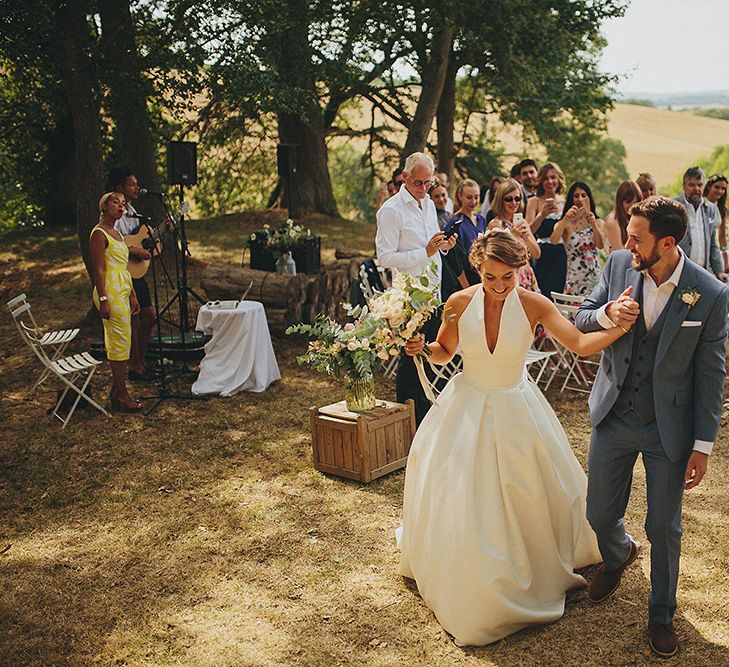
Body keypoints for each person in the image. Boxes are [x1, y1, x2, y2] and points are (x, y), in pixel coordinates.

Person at [398, 228, 632, 647]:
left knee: (527, 489)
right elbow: (444, 352)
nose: (500, 286)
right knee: (464, 494)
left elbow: (579, 343)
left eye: (508, 277)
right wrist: (421, 347)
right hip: (465, 406)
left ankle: (531, 565)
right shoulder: (456, 303)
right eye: (490, 277)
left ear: (520, 270)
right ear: (478, 268)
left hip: (515, 406)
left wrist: (618, 329)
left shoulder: (535, 305)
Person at [575, 196, 729, 658]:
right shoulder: (620, 263)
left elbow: (710, 374)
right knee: (598, 514)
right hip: (615, 416)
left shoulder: (710, 293)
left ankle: (661, 613)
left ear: (667, 242)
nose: (627, 243)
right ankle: (619, 552)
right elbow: (581, 316)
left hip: (670, 429)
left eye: (637, 237)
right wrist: (607, 316)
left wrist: (702, 444)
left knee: (664, 527)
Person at [376, 152, 458, 425]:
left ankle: (432, 420)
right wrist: (425, 252)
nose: (424, 189)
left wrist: (443, 247)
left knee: (434, 353)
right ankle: (406, 421)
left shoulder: (429, 205)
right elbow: (385, 257)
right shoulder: (390, 210)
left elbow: (432, 247)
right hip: (410, 296)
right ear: (404, 177)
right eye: (418, 183)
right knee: (411, 361)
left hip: (434, 291)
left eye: (428, 183)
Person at [90, 192, 142, 412]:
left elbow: (124, 267)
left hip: (123, 286)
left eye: (123, 204)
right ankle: (122, 394)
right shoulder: (99, 233)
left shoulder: (118, 233)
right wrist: (103, 299)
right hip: (109, 289)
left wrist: (132, 295)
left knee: (124, 338)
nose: (121, 206)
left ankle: (117, 390)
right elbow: (99, 269)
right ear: (104, 206)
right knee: (119, 340)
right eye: (115, 202)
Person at [107, 165, 158, 381]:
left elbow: (140, 239)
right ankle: (134, 366)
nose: (137, 187)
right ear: (119, 187)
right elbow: (113, 243)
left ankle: (140, 360)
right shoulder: (114, 212)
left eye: (137, 183)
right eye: (131, 184)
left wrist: (155, 239)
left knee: (149, 316)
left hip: (136, 273)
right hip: (121, 273)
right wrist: (137, 250)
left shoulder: (133, 212)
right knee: (135, 319)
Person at [550, 181, 605, 296]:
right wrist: (565, 219)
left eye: (583, 195)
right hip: (575, 277)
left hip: (594, 275)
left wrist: (593, 224)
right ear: (571, 199)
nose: (580, 199)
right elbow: (554, 241)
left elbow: (600, 245)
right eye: (576, 196)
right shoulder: (565, 224)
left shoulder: (598, 222)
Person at [674, 166, 726, 281]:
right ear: (684, 186)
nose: (696, 189)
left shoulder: (710, 209)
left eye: (699, 185)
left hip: (703, 272)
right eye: (691, 185)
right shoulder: (674, 206)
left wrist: (719, 271)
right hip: (678, 271)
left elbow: (713, 243)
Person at [488, 178, 541, 291]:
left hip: (526, 275)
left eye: (517, 198)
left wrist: (527, 236)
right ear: (500, 200)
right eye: (508, 199)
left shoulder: (522, 222)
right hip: (509, 277)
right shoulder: (495, 224)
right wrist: (512, 234)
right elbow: (499, 253)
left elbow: (536, 254)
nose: (514, 203)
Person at [526, 162, 567, 299]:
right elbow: (528, 231)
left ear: (559, 179)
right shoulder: (534, 201)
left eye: (553, 177)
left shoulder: (565, 202)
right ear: (541, 181)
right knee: (542, 295)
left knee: (559, 294)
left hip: (560, 253)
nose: (550, 182)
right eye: (546, 178)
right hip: (541, 253)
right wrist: (541, 215)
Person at [429, 182, 469, 297]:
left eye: (443, 195)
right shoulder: (431, 218)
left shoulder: (450, 215)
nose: (441, 199)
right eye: (436, 197)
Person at [603, 180, 642, 254]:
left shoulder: (632, 218)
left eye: (635, 202)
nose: (631, 206)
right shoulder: (612, 222)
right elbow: (621, 254)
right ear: (620, 201)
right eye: (628, 202)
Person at [449, 178, 487, 252]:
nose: (473, 201)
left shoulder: (481, 220)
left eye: (476, 197)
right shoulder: (455, 222)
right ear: (460, 196)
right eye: (469, 197)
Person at [704, 173, 728, 271]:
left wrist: (726, 260)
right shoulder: (702, 204)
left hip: (714, 251)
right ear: (709, 187)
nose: (720, 191)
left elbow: (721, 237)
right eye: (717, 187)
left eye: (723, 188)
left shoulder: (721, 209)